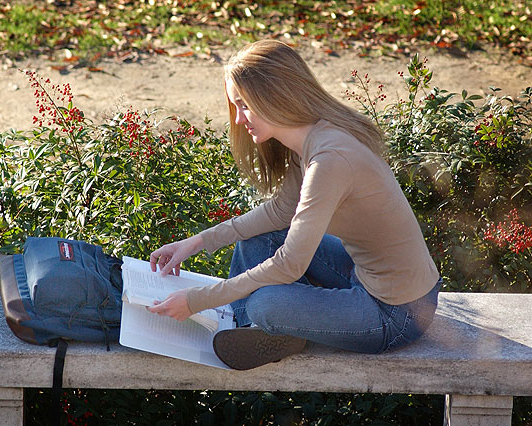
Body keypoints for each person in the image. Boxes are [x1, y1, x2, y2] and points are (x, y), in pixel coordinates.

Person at [148, 39, 441, 370]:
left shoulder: (329, 159)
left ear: (274, 96)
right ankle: (256, 331)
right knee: (259, 240)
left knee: (265, 304)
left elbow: (290, 265)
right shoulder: (309, 139)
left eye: (245, 105)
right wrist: (196, 242)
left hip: (398, 313)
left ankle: (267, 323)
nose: (240, 118)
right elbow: (279, 213)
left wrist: (195, 301)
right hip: (366, 276)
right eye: (236, 106)